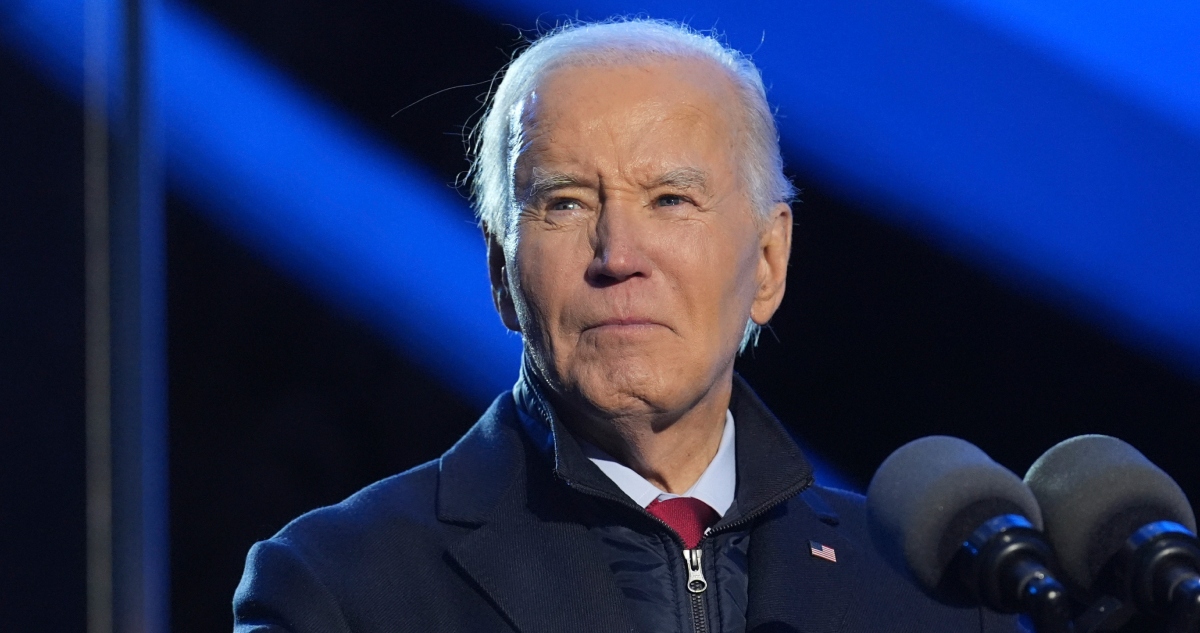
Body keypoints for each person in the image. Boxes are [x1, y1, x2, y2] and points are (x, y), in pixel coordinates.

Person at [233, 19, 1023, 633]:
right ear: (500, 273)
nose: (618, 255)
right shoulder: (340, 587)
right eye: (566, 203)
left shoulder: (936, 598)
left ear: (770, 260)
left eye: (670, 200)